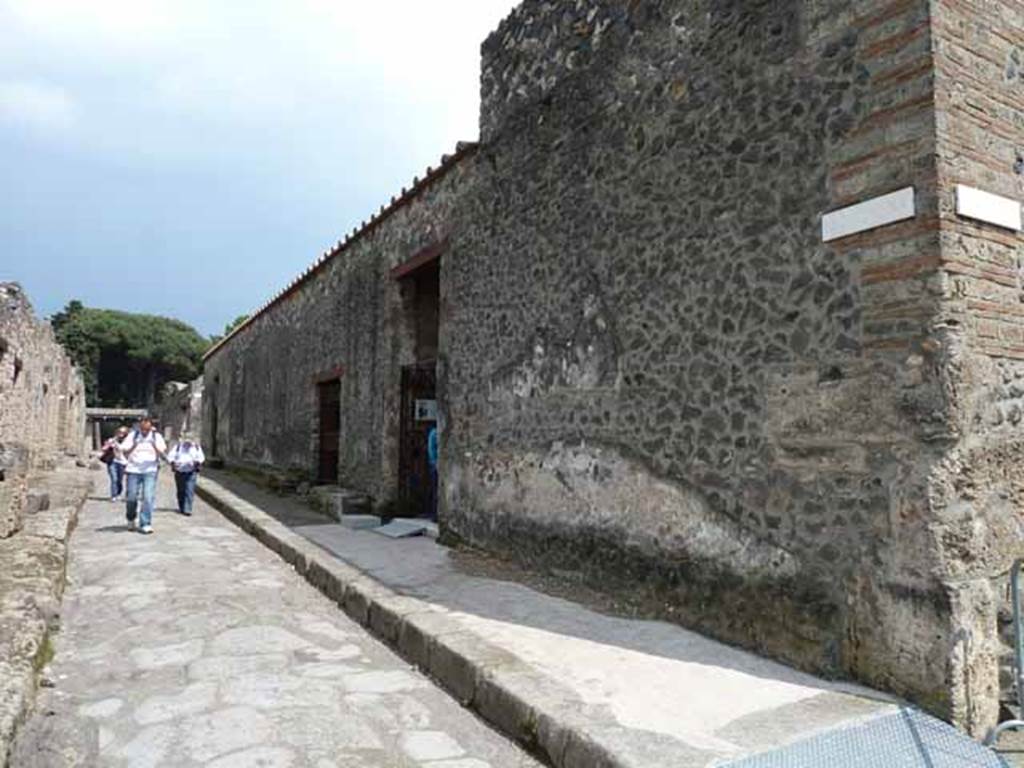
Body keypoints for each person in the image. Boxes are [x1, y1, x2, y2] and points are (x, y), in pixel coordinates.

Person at [119, 417, 167, 534]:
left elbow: (162, 453)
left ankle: (145, 523)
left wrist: (154, 445)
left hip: (150, 470)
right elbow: (124, 452)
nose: (144, 431)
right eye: (142, 429)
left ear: (151, 427)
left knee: (148, 497)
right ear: (139, 427)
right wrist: (134, 445)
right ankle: (131, 518)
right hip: (133, 470)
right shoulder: (133, 436)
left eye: (147, 429)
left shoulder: (157, 437)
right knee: (131, 497)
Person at [168, 433, 204, 516]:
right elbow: (170, 457)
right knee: (181, 490)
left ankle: (187, 509)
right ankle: (182, 506)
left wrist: (196, 462)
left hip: (191, 471)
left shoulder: (196, 448)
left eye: (190, 440)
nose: (188, 443)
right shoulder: (178, 447)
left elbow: (201, 458)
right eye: (186, 440)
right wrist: (174, 463)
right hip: (179, 471)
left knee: (189, 490)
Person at [98, 425, 129, 501]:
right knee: (114, 479)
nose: (121, 433)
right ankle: (113, 495)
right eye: (120, 432)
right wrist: (108, 445)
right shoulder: (112, 440)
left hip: (123, 462)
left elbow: (127, 451)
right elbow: (104, 448)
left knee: (119, 480)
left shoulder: (128, 442)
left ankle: (118, 493)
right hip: (112, 461)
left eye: (123, 432)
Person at [426, 424, 438, 521]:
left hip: (437, 465)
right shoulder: (434, 433)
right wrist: (435, 463)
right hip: (435, 466)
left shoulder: (435, 433)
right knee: (435, 490)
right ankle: (434, 514)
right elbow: (431, 450)